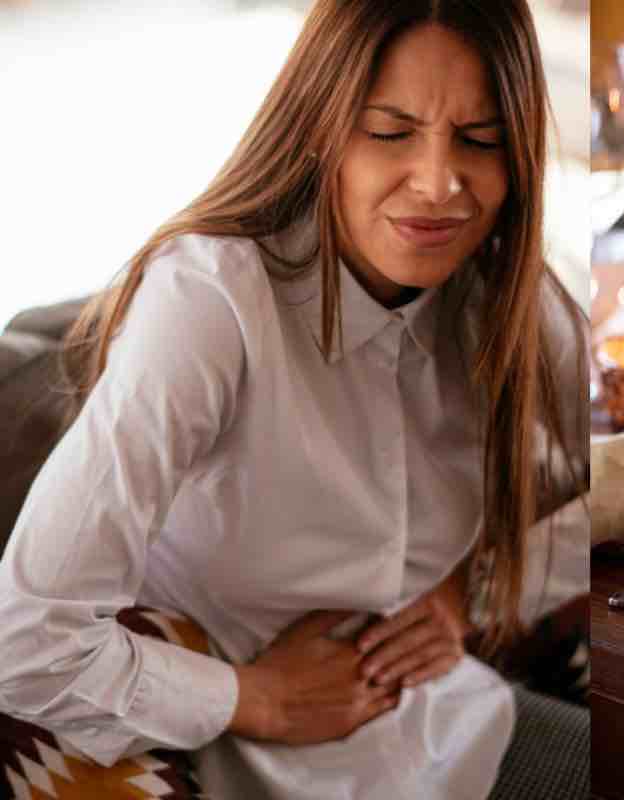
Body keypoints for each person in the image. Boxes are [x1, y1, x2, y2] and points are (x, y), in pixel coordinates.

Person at [0, 1, 589, 798]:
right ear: (320, 129)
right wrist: (260, 700)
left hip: (436, 727)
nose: (441, 183)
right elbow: (24, 640)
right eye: (390, 132)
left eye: (481, 140)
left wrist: (467, 589)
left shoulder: (509, 298)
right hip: (169, 730)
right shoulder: (212, 298)